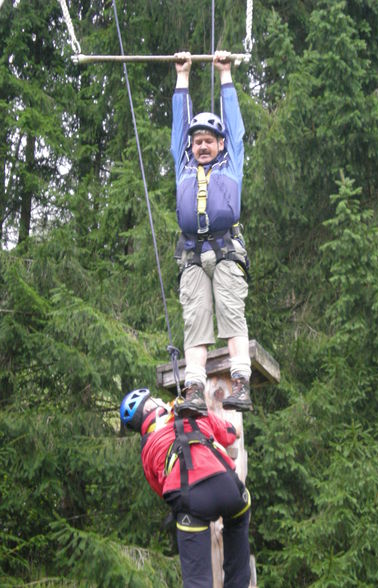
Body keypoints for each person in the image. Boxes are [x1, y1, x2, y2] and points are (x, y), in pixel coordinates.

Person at [171, 50, 253, 416]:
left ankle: (241, 384)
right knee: (196, 320)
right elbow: (178, 127)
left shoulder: (231, 163)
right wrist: (182, 76)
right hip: (191, 257)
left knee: (232, 313)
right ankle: (193, 390)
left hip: (225, 252)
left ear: (220, 145)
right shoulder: (183, 166)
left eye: (209, 140)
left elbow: (235, 127)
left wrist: (225, 75)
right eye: (197, 140)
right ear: (191, 147)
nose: (203, 145)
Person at [120, 388, 251, 588]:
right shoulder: (192, 414)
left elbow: (161, 488)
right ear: (148, 407)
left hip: (191, 500)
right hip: (227, 487)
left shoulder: (147, 449)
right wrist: (233, 430)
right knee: (239, 516)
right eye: (153, 399)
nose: (159, 399)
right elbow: (229, 433)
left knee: (197, 583)